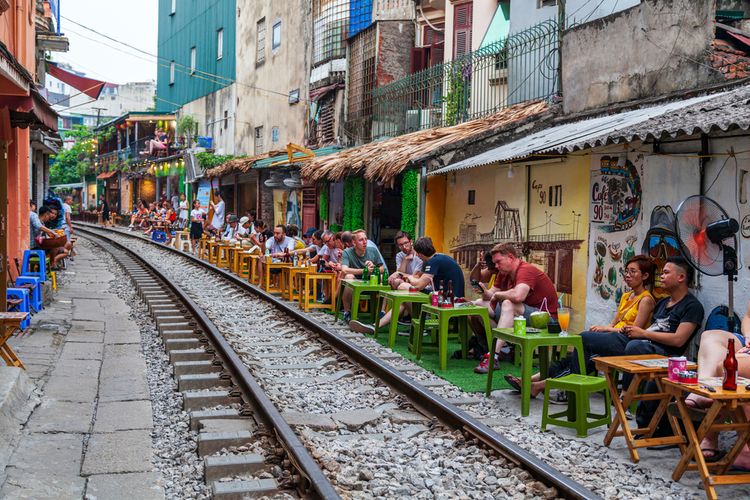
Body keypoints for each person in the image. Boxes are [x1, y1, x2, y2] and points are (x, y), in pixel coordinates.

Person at [505, 255, 657, 396]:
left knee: (583, 338)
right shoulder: (626, 296)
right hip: (612, 338)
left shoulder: (646, 300)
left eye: (633, 272)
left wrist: (605, 329)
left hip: (626, 343)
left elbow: (633, 331)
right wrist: (605, 330)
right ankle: (533, 381)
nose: (627, 275)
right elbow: (614, 323)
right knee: (577, 356)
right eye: (626, 271)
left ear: (645, 276)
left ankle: (559, 390)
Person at [472, 243, 559, 373]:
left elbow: (518, 296)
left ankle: (493, 356)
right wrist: (485, 292)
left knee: (509, 304)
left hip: (546, 320)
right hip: (523, 315)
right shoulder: (504, 272)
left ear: (511, 257)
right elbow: (492, 295)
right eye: (495, 263)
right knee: (478, 304)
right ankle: (503, 348)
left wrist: (497, 295)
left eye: (498, 262)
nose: (496, 266)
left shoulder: (525, 270)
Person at [349, 236, 463, 335]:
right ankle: (375, 326)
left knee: (403, 287)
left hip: (449, 300)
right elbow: (419, 277)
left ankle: (417, 325)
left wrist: (407, 277)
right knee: (403, 299)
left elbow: (419, 285)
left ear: (419, 253)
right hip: (443, 297)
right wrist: (407, 277)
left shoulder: (434, 261)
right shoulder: (437, 258)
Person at [340, 230, 385, 323]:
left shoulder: (373, 250)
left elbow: (382, 268)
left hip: (371, 281)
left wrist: (373, 267)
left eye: (366, 239)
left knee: (382, 277)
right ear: (354, 242)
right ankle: (347, 312)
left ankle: (381, 312)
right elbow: (344, 269)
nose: (364, 242)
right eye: (361, 240)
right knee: (348, 277)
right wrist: (364, 271)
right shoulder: (347, 252)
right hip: (356, 281)